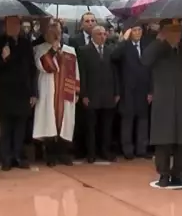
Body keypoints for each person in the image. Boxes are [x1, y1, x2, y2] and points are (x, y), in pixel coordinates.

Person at [142, 19, 182, 188]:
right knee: (163, 139)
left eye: (179, 31)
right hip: (164, 99)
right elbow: (145, 61)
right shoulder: (157, 49)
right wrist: (159, 41)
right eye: (173, 32)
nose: (177, 35)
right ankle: (164, 174)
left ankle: (179, 173)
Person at [0, 16, 37, 171]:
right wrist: (3, 58)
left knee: (20, 128)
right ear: (5, 25)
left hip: (23, 92)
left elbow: (32, 69)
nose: (14, 27)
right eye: (10, 24)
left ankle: (18, 156)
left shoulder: (26, 43)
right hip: (5, 93)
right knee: (6, 129)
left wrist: (33, 93)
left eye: (16, 24)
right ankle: (6, 158)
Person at [33, 20, 79, 167]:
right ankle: (50, 154)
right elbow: (46, 66)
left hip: (66, 91)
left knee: (65, 123)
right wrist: (53, 50)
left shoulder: (70, 50)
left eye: (57, 31)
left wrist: (76, 91)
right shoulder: (40, 49)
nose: (55, 34)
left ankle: (63, 153)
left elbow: (75, 71)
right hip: (49, 91)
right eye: (51, 30)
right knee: (49, 121)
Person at [79, 25, 119, 163]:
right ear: (93, 36)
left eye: (104, 34)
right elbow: (82, 74)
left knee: (107, 127)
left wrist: (117, 92)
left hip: (108, 94)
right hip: (91, 94)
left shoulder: (110, 51)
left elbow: (115, 74)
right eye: (99, 34)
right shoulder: (84, 51)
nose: (102, 36)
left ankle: (105, 151)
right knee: (91, 127)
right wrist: (83, 94)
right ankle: (91, 153)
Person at [113, 25, 152, 160]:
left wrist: (151, 90)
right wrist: (123, 40)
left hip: (144, 89)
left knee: (143, 120)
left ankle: (142, 148)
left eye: (139, 30)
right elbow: (114, 56)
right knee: (127, 120)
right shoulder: (125, 46)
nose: (137, 33)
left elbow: (151, 68)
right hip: (127, 89)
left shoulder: (147, 45)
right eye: (134, 30)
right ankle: (127, 149)